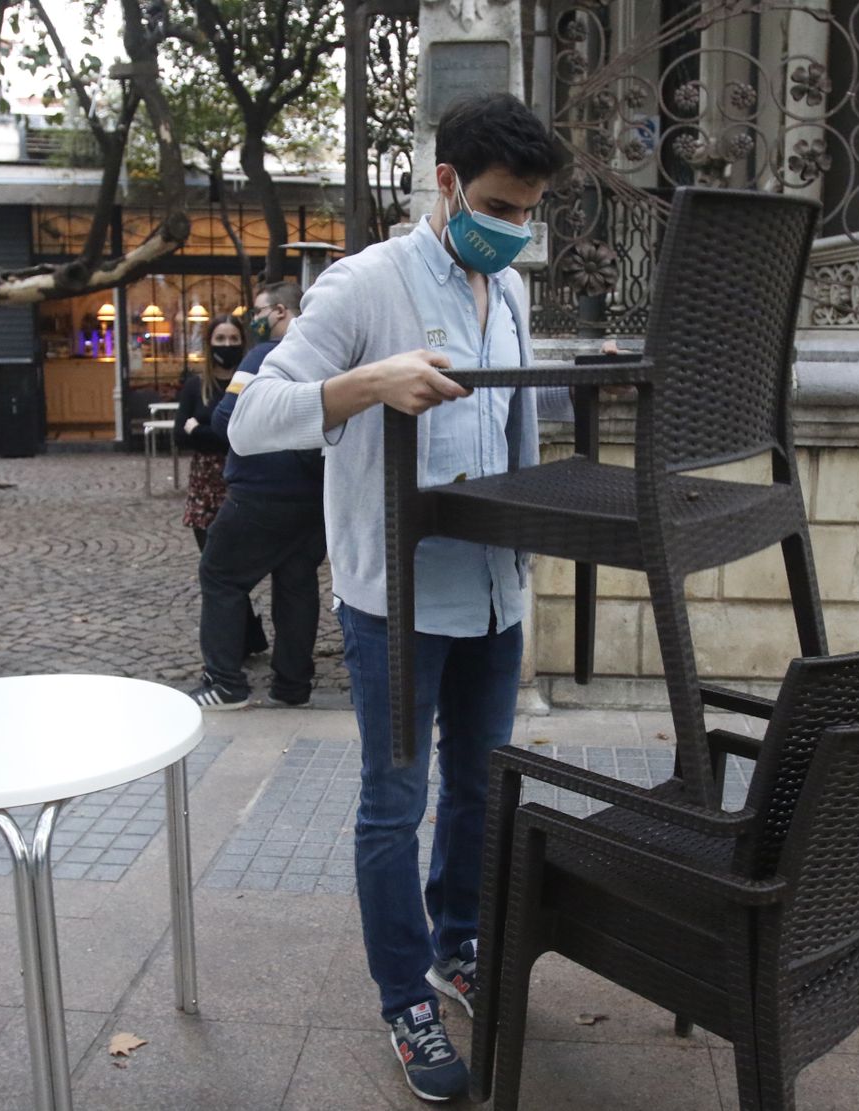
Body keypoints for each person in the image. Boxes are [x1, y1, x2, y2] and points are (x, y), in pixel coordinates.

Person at [227, 93, 569, 1102]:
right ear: (447, 182)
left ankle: (453, 943)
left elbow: (513, 425)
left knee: (476, 790)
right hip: (399, 605)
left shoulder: (505, 292)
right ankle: (401, 996)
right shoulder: (362, 285)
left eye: (528, 212)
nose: (512, 228)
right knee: (395, 804)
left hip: (495, 596)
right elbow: (251, 421)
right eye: (499, 205)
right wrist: (368, 383)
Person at [190, 281, 326, 711]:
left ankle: (225, 683)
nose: (256, 320)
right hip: (314, 495)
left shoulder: (264, 355)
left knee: (221, 576)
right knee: (297, 585)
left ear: (282, 312)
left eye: (261, 311)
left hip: (260, 489)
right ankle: (292, 685)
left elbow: (226, 417)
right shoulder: (330, 354)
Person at [174, 314, 270, 656]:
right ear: (209, 343)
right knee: (215, 566)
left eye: (233, 339)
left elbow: (236, 432)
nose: (226, 346)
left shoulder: (251, 381)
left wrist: (199, 429)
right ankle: (245, 638)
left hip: (240, 482)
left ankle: (242, 639)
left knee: (233, 567)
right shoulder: (195, 385)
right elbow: (180, 436)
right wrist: (210, 432)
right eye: (220, 339)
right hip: (205, 489)